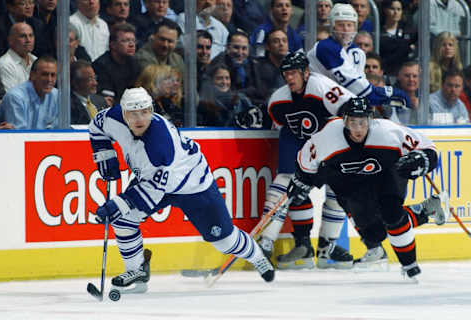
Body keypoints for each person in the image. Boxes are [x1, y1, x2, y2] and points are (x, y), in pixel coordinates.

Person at [88, 87, 275, 289]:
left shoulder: (160, 145)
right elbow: (96, 127)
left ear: (151, 111)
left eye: (144, 112)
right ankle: (137, 273)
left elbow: (151, 191)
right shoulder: (111, 118)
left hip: (192, 183)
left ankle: (257, 256)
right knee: (124, 221)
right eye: (133, 114)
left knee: (224, 240)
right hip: (154, 179)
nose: (139, 118)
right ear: (123, 113)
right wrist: (104, 154)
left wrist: (115, 205)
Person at [287, 97, 448, 280]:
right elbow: (305, 162)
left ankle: (410, 266)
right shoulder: (328, 137)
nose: (358, 129)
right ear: (344, 121)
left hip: (387, 174)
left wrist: (423, 159)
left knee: (392, 215)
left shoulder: (387, 132)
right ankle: (425, 210)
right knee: (375, 234)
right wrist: (301, 181)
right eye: (352, 122)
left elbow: (429, 148)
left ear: (371, 120)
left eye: (362, 122)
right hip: (355, 184)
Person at [257, 51, 355, 270]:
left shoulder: (322, 88)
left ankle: (326, 248)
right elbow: (270, 119)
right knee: (285, 184)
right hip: (298, 141)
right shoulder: (279, 99)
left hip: (330, 143)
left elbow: (353, 112)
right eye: (286, 74)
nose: (289, 78)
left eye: (293, 73)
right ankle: (271, 243)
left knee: (339, 190)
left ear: (306, 72)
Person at [307, 3, 412, 110]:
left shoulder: (357, 52)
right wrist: (387, 93)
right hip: (316, 105)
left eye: (349, 25)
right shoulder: (326, 48)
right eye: (341, 24)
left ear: (355, 26)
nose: (345, 29)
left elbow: (361, 89)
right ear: (332, 26)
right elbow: (362, 90)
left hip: (338, 105)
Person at [0, 56, 59, 129]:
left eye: (53, 75)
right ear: (32, 75)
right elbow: (18, 136)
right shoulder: (15, 97)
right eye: (44, 74)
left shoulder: (56, 95)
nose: (49, 79)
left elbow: (60, 130)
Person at [198, 64, 261, 128]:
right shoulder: (204, 104)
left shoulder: (241, 100)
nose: (224, 82)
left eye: (227, 78)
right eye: (219, 78)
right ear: (211, 80)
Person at [92, 23, 141, 104]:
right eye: (125, 41)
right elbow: (107, 98)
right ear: (113, 45)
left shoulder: (134, 63)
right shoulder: (100, 65)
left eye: (133, 41)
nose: (132, 45)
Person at [379, 0, 417, 78]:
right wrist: (405, 46)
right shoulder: (379, 30)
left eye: (399, 9)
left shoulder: (409, 30)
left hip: (404, 72)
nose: (396, 12)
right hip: (386, 71)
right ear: (385, 10)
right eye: (392, 9)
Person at [0, 22, 37, 92]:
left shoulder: (36, 60)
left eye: (31, 35)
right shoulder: (5, 64)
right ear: (10, 40)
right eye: (23, 36)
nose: (28, 40)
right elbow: (12, 98)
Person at [70, 60, 108, 125]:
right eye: (90, 79)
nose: (95, 83)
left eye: (94, 78)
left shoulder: (101, 101)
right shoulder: (68, 105)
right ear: (75, 82)